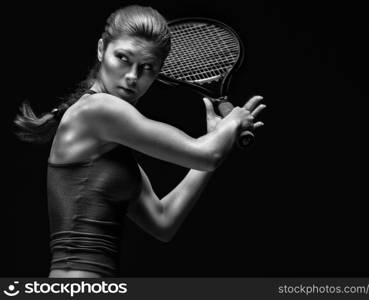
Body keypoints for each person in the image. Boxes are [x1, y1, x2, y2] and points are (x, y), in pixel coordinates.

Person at [14, 5, 265, 278]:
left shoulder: (111, 144)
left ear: (157, 74)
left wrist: (216, 138)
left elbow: (163, 221)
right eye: (123, 58)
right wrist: (232, 122)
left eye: (146, 68)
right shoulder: (99, 110)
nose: (132, 77)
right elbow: (205, 155)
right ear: (101, 50)